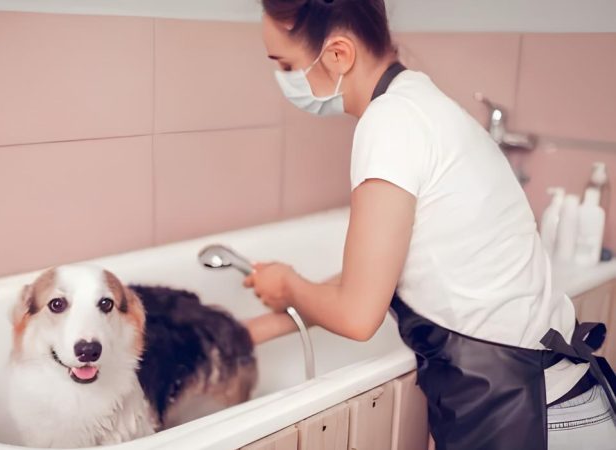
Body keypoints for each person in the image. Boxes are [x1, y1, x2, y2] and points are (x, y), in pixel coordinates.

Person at [242, 1, 616, 448]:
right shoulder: (417, 100)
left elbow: (359, 315)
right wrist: (263, 326)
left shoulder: (388, 123)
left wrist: (290, 285)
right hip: (559, 402)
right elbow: (378, 272)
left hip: (533, 418)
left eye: (285, 64)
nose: (285, 78)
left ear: (338, 54)